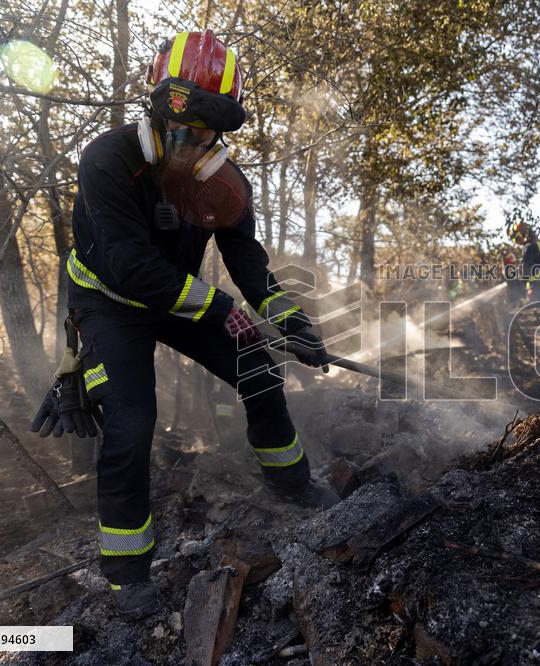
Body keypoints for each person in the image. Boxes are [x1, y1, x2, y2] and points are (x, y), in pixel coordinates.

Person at [34, 30, 337, 620]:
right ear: (154, 112)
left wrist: (291, 321)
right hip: (108, 302)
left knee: (259, 366)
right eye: (176, 129)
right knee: (131, 420)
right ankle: (127, 574)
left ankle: (291, 482)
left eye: (200, 135)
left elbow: (249, 265)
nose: (184, 145)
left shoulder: (226, 185)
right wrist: (221, 308)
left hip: (177, 299)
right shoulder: (107, 159)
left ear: (217, 136)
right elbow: (125, 265)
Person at [508, 221, 540, 303]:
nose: (518, 243)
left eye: (517, 239)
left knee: (536, 314)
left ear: (524, 235)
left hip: (538, 289)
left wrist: (516, 276)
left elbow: (526, 271)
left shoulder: (532, 247)